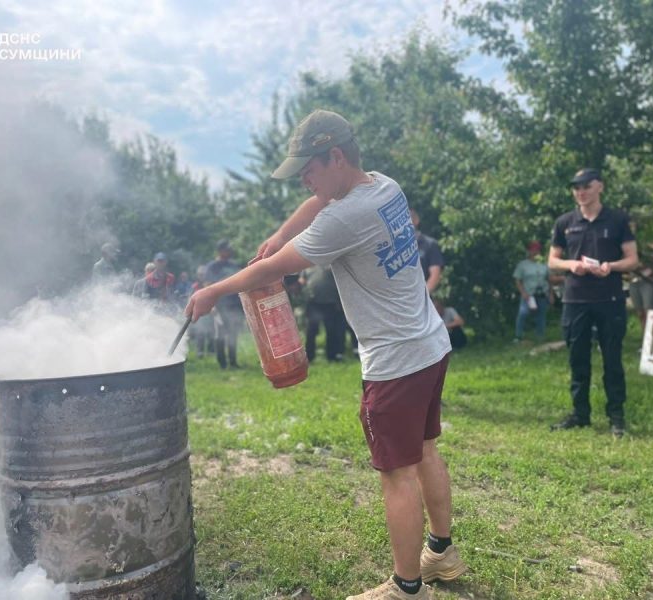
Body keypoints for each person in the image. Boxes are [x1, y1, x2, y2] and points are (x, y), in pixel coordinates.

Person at [185, 110, 466, 600]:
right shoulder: (383, 186)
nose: (305, 181)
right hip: (429, 343)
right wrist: (278, 232)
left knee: (397, 473)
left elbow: (270, 270)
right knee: (424, 450)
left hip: (395, 364)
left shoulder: (345, 218)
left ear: (335, 156)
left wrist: (213, 291)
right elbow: (315, 204)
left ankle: (406, 588)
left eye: (309, 169)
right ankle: (442, 554)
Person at [548, 168, 639, 438]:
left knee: (612, 358)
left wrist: (611, 266)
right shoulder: (565, 222)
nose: (580, 192)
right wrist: (571, 264)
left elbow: (633, 259)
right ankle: (580, 414)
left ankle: (616, 416)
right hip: (575, 299)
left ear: (600, 186)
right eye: (576, 187)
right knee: (578, 359)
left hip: (609, 299)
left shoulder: (618, 219)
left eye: (586, 186)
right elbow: (552, 260)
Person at [204, 240, 245, 369]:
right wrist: (212, 305)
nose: (230, 251)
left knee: (233, 335)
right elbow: (207, 286)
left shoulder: (234, 265)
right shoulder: (212, 266)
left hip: (234, 304)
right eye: (227, 249)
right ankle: (222, 363)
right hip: (220, 305)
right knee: (220, 334)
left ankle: (233, 361)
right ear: (220, 251)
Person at [299, 264, 346, 362]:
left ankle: (332, 356)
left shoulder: (331, 264)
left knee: (331, 330)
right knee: (311, 331)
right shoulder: (307, 266)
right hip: (313, 302)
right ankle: (309, 357)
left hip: (330, 302)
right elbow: (302, 280)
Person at [513, 240, 550, 341]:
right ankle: (518, 336)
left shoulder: (543, 264)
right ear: (529, 251)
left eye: (537, 250)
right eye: (533, 250)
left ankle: (540, 336)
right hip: (528, 294)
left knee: (541, 316)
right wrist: (523, 292)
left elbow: (548, 279)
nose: (535, 252)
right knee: (523, 313)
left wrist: (551, 294)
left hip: (542, 293)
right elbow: (518, 280)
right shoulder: (523, 265)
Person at [410, 209, 444, 294]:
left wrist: (423, 296)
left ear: (416, 220)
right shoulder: (396, 247)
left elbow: (435, 275)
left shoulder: (430, 244)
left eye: (409, 219)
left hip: (422, 301)